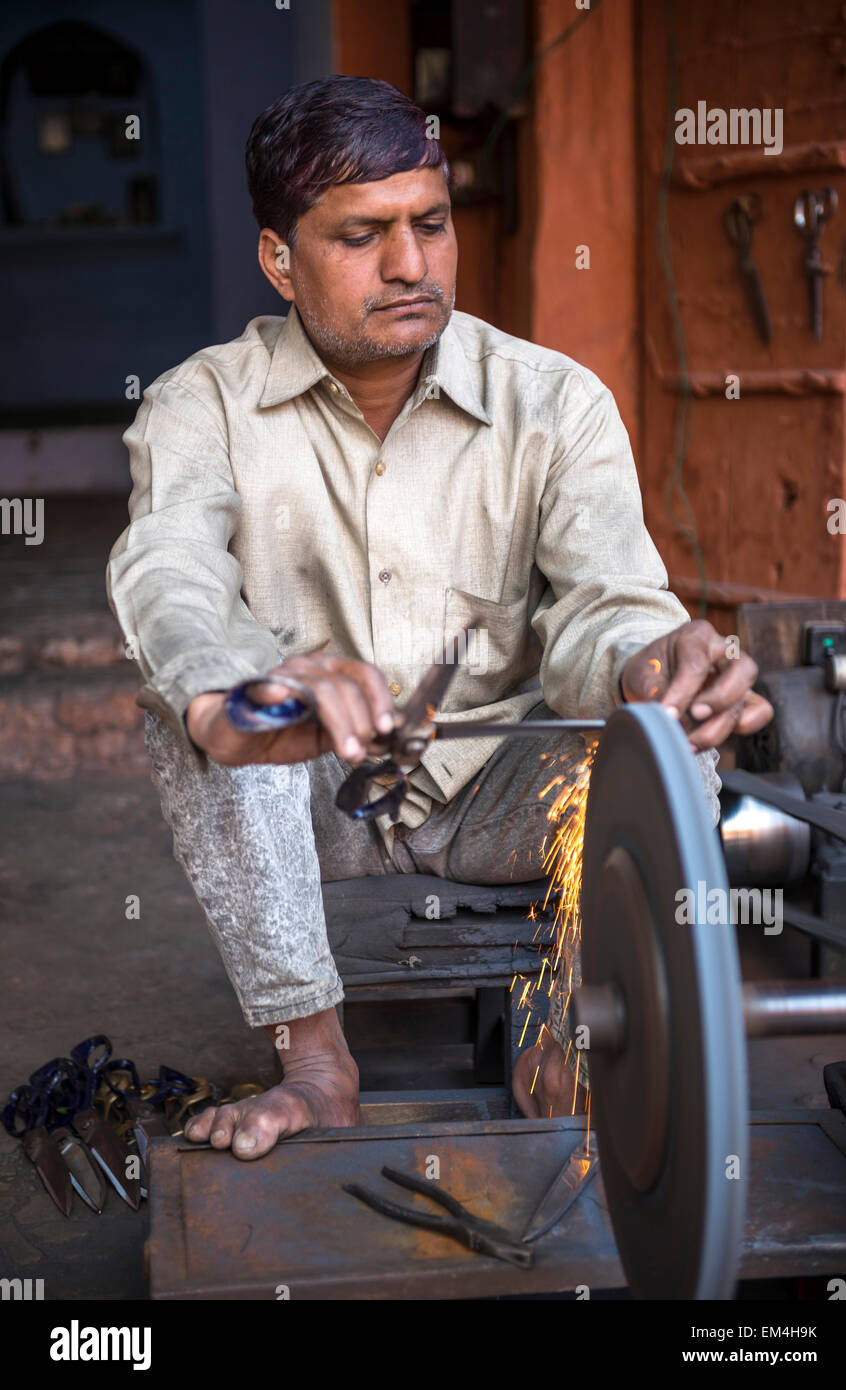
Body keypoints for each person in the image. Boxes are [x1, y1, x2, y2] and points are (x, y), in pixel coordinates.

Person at [106, 75, 772, 1159]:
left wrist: (651, 660)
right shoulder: (204, 404)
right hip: (307, 802)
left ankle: (573, 1041)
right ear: (280, 260)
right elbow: (169, 569)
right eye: (362, 236)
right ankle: (320, 1065)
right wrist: (247, 691)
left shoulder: (552, 401)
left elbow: (607, 602)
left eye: (430, 224)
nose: (411, 265)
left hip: (494, 795)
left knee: (662, 742)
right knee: (192, 702)